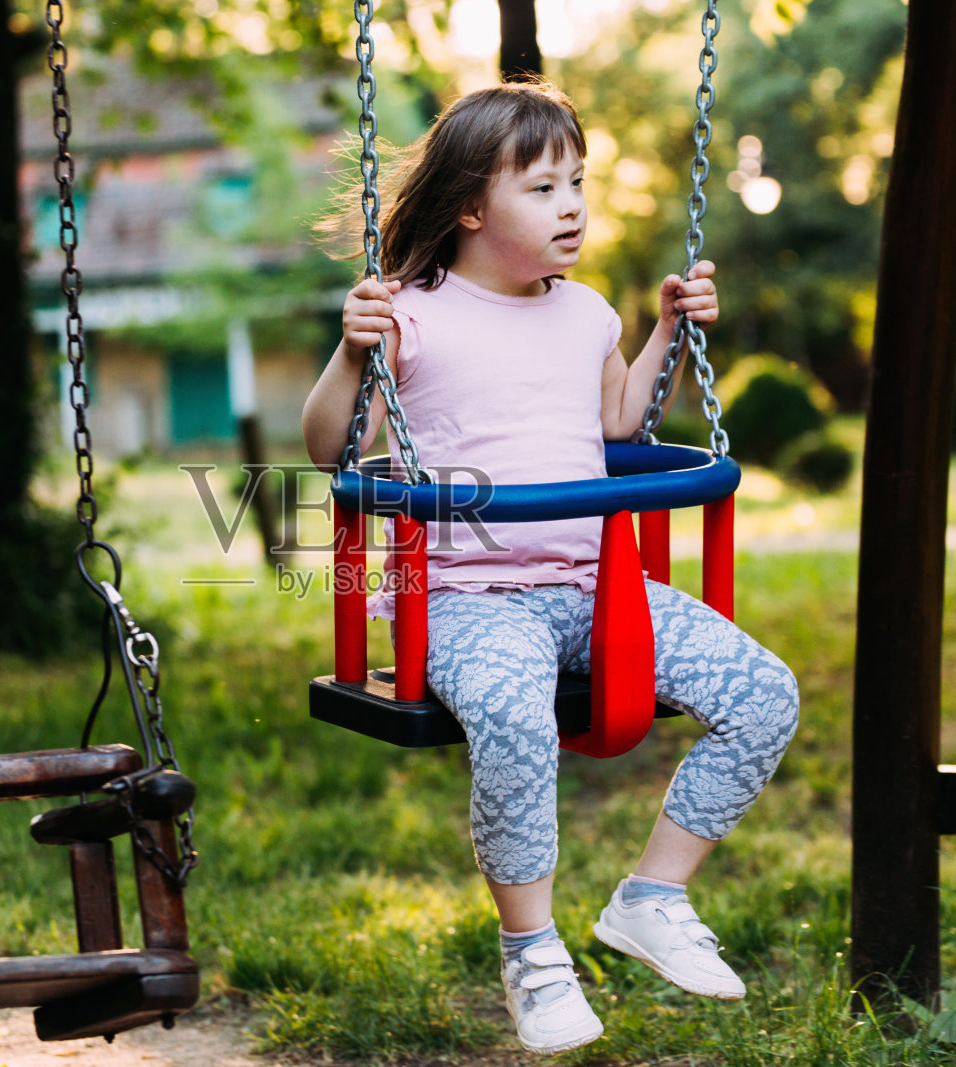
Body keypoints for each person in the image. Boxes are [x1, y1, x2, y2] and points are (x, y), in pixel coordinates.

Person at [301, 81, 799, 1056]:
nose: (572, 203)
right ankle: (531, 949)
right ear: (471, 208)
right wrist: (350, 354)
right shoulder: (411, 313)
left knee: (765, 695)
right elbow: (330, 449)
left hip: (588, 588)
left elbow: (614, 422)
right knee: (515, 716)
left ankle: (652, 897)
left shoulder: (584, 315)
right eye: (543, 186)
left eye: (579, 181)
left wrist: (664, 329)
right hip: (464, 600)